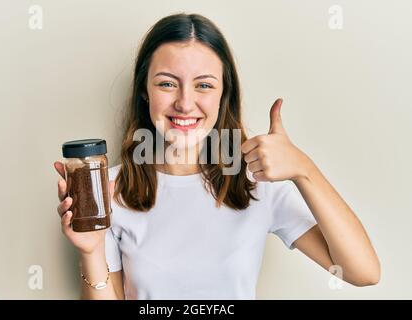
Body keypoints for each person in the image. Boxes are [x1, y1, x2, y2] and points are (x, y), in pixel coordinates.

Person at [53, 13, 380, 300]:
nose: (184, 102)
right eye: (167, 83)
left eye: (204, 86)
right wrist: (92, 250)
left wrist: (304, 170)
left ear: (224, 94)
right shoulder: (109, 188)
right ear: (144, 90)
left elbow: (362, 272)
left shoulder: (258, 181)